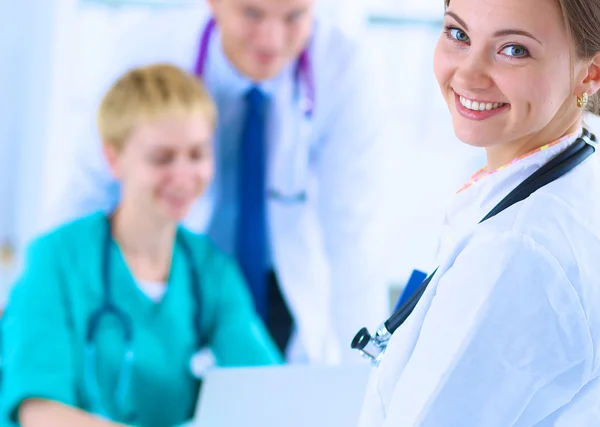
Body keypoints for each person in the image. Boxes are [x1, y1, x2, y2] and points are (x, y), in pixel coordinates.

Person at [49, 0, 391, 364]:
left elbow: (351, 232)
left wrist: (371, 374)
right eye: (252, 13)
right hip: (161, 275)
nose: (272, 40)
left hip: (268, 285)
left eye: (294, 16)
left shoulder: (343, 67)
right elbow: (87, 191)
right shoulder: (146, 53)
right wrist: (46, 301)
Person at [357, 0, 600, 425]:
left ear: (590, 73)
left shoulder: (517, 253)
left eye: (514, 50)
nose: (468, 74)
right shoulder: (572, 175)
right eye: (458, 34)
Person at [1, 64, 282, 427]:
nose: (183, 176)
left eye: (197, 155)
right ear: (113, 158)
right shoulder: (55, 259)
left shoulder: (212, 272)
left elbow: (269, 393)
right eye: (162, 158)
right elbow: (38, 411)